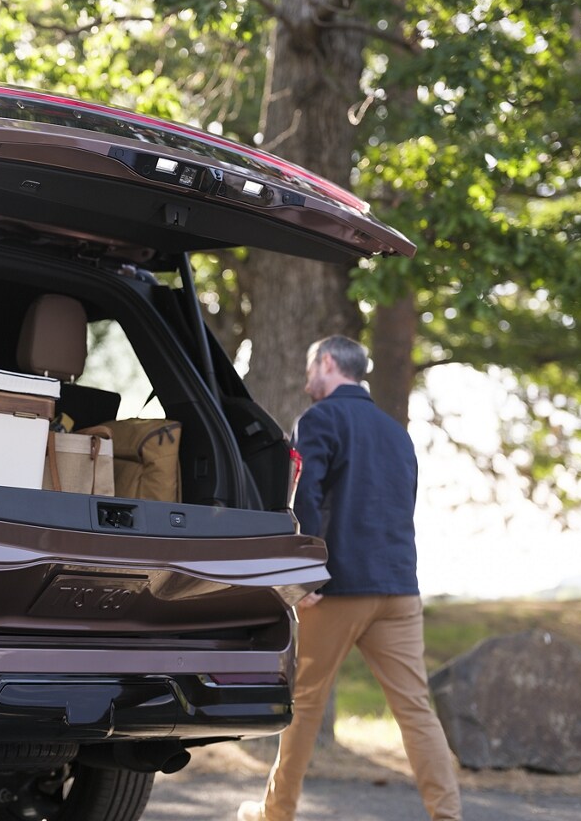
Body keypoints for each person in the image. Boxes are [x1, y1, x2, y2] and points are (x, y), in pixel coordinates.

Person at [238, 335, 461, 821]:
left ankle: (276, 814)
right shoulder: (396, 431)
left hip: (338, 590)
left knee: (306, 704)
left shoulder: (320, 419)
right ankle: (448, 816)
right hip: (400, 588)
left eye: (309, 367)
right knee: (416, 712)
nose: (305, 379)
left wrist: (305, 577)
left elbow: (308, 498)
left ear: (326, 363)